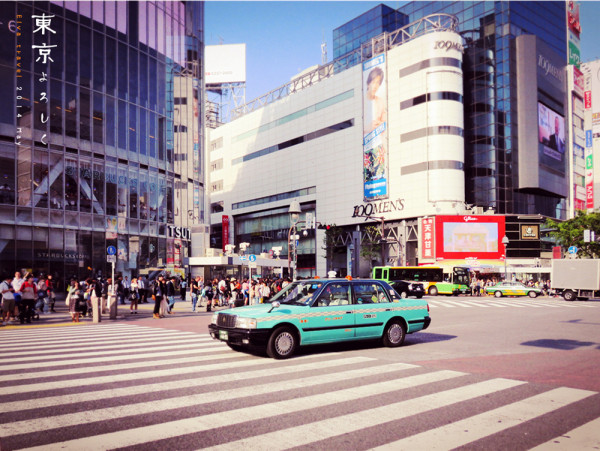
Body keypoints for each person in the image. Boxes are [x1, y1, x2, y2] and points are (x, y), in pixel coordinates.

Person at [364, 66, 387, 135]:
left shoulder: (380, 102)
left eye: (378, 83)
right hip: (363, 141)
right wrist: (366, 128)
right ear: (368, 83)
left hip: (378, 141)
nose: (375, 86)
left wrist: (380, 125)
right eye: (373, 82)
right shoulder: (360, 102)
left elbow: (385, 123)